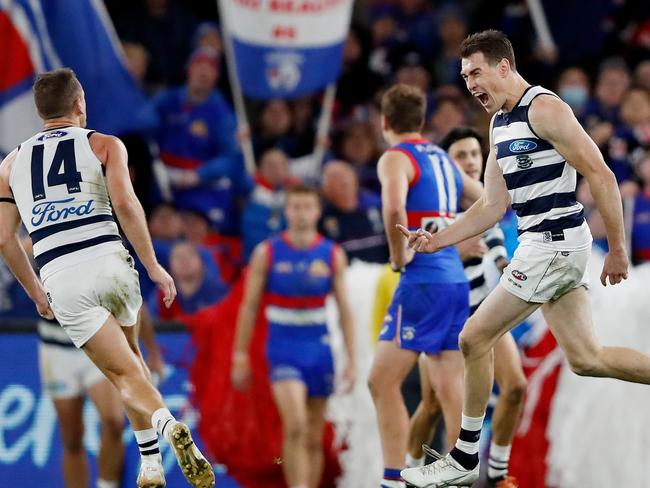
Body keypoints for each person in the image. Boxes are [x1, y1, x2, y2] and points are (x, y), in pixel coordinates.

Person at [399, 30, 650, 487]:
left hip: (553, 244)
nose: (470, 83)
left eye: (476, 72)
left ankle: (464, 457)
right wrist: (437, 240)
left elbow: (602, 174)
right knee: (587, 358)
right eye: (464, 76)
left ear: (503, 67)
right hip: (547, 246)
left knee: (474, 338)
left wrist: (616, 249)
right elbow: (491, 207)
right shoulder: (498, 124)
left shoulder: (546, 108)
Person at [0, 68, 214, 488]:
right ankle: (150, 462)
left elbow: (5, 240)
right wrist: (153, 265)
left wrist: (36, 291)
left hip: (62, 274)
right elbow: (127, 204)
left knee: (124, 376)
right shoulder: (103, 144)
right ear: (80, 104)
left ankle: (169, 428)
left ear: (40, 112)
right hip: (110, 261)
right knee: (132, 362)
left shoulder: (10, 164)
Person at [367, 84, 482, 488]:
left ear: (385, 123)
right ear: (421, 122)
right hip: (455, 282)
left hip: (423, 282)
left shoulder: (396, 158)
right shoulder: (441, 157)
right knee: (450, 387)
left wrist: (399, 257)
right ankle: (461, 478)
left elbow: (394, 206)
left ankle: (392, 479)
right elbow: (484, 197)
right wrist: (461, 232)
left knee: (381, 381)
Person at [404, 127, 527, 488]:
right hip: (444, 320)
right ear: (446, 165)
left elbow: (500, 254)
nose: (471, 161)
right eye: (462, 155)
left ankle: (499, 474)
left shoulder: (490, 207)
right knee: (432, 408)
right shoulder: (431, 209)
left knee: (516, 387)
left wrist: (512, 269)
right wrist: (455, 251)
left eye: (476, 153)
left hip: (483, 314)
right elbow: (409, 265)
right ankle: (403, 477)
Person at [231, 185, 356, 488]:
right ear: (287, 211)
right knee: (296, 425)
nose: (300, 214)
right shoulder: (267, 252)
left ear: (317, 211)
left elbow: (344, 311)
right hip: (283, 348)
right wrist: (240, 354)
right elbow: (248, 307)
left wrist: (351, 360)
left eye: (307, 207)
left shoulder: (332, 254)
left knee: (314, 435)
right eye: (295, 207)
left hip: (320, 348)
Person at [38, 308, 164, 488]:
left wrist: (152, 351)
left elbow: (132, 296)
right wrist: (37, 295)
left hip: (98, 338)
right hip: (56, 346)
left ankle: (107, 484)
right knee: (71, 438)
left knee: (113, 421)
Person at [320, 161, 388, 264]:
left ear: (356, 179)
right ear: (325, 187)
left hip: (384, 272)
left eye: (347, 174)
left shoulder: (378, 206)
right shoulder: (322, 217)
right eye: (336, 177)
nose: (344, 181)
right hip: (346, 275)